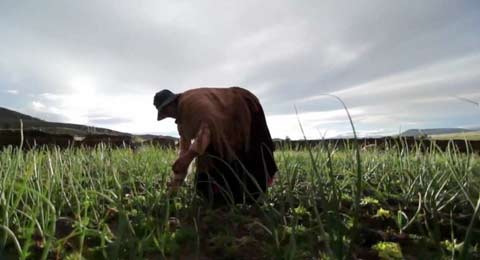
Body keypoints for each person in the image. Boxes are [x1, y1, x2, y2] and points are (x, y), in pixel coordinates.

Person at [153, 87, 278, 205]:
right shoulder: (182, 121)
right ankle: (227, 197)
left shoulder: (192, 103)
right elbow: (185, 151)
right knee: (204, 185)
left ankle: (253, 198)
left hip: (244, 108)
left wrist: (189, 157)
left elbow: (209, 128)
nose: (167, 116)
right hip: (221, 130)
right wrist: (178, 179)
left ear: (171, 104)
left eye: (165, 111)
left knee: (250, 156)